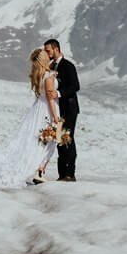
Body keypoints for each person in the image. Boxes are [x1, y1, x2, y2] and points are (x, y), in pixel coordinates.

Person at [0, 43, 63, 188]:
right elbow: (51, 99)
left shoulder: (38, 76)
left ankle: (40, 172)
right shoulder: (49, 77)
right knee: (48, 142)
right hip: (46, 110)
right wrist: (56, 118)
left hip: (37, 109)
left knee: (38, 141)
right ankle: (39, 170)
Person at [48, 37, 80, 181]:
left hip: (69, 108)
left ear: (56, 49)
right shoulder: (51, 66)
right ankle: (62, 174)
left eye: (48, 50)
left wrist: (59, 94)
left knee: (68, 139)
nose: (47, 53)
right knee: (59, 140)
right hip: (58, 110)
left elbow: (75, 86)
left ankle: (70, 173)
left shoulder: (68, 65)